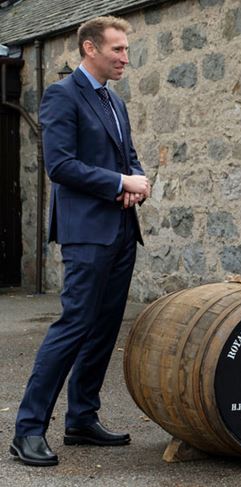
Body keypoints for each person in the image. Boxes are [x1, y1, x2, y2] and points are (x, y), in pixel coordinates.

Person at [10, 16, 150, 467]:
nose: (125, 58)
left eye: (126, 50)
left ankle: (82, 419)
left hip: (123, 230)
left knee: (105, 328)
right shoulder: (61, 95)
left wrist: (137, 182)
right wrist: (119, 182)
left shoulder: (115, 101)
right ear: (90, 49)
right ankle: (28, 430)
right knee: (73, 326)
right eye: (117, 50)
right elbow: (61, 166)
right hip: (87, 233)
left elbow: (128, 158)